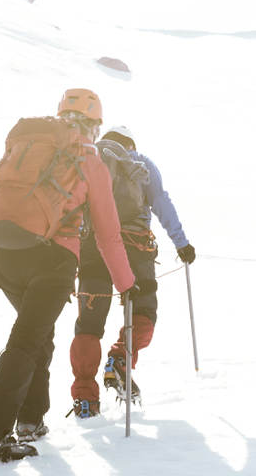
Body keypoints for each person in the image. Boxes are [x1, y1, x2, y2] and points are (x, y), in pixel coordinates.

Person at [0, 89, 136, 462]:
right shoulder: (89, 159)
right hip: (53, 261)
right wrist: (127, 285)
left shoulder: (26, 149)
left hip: (6, 258)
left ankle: (31, 420)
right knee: (26, 342)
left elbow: (1, 210)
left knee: (38, 337)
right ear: (94, 126)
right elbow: (108, 235)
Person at [68, 125, 193, 416]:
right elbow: (161, 202)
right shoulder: (140, 162)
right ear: (130, 144)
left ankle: (85, 399)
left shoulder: (88, 161)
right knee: (143, 310)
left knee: (89, 324)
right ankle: (121, 358)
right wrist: (182, 243)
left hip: (93, 248)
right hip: (135, 248)